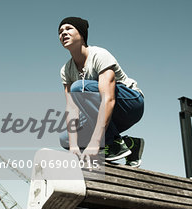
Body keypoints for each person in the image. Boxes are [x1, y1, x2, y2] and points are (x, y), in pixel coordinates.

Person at [58, 16, 144, 167]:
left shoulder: (99, 55)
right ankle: (130, 144)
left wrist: (95, 142)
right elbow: (71, 109)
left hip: (130, 104)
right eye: (60, 31)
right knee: (65, 138)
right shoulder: (66, 70)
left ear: (82, 34)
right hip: (105, 114)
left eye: (68, 28)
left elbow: (108, 99)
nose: (63, 33)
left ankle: (112, 143)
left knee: (79, 87)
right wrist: (73, 147)